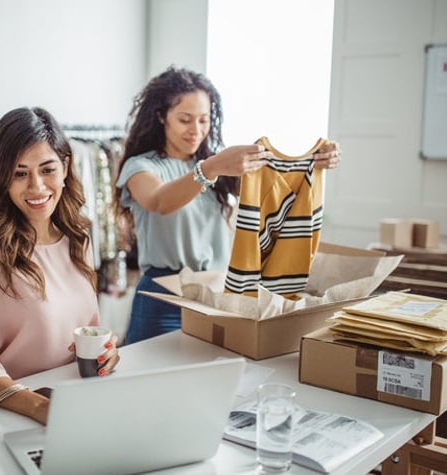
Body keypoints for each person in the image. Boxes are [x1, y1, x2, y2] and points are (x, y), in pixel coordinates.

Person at [115, 66, 341, 345]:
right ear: (162, 117)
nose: (196, 130)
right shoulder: (141, 166)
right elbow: (159, 201)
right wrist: (210, 168)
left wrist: (314, 160)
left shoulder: (218, 167)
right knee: (149, 379)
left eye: (204, 120)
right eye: (185, 119)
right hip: (163, 296)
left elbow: (275, 187)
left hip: (216, 293)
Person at [0, 107, 120, 425]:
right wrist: (40, 409)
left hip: (73, 401)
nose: (36, 187)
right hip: (5, 412)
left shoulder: (79, 235)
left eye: (47, 170)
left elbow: (85, 330)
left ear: (66, 167)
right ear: (3, 178)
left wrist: (106, 352)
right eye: (20, 173)